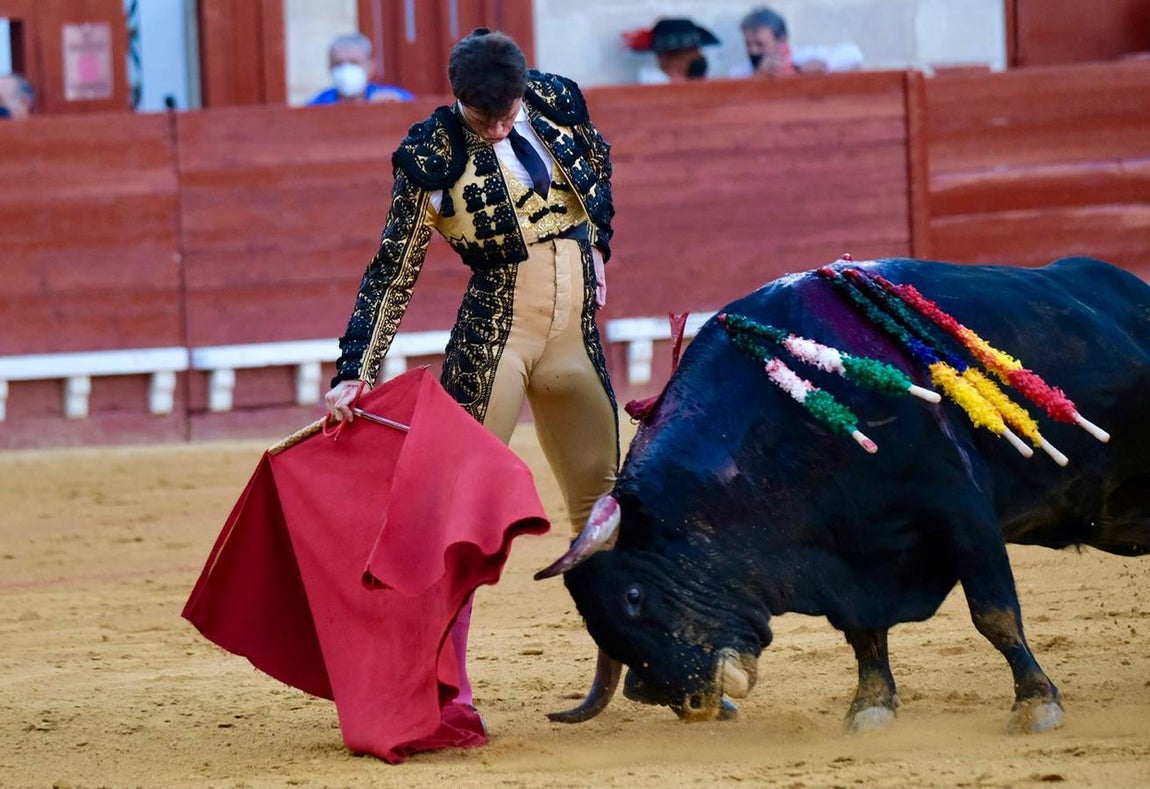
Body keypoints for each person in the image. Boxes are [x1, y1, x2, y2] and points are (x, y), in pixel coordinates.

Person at [323, 28, 619, 715]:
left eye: (507, 111)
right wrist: (355, 369)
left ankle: (649, 659)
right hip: (496, 339)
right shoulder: (431, 152)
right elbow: (393, 270)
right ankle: (443, 689)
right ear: (459, 99)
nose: (500, 125)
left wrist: (598, 242)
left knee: (607, 506)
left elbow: (599, 165)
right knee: (457, 514)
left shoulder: (552, 98)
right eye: (486, 117)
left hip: (575, 336)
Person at [729, 6, 863, 78]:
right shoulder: (740, 72)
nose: (753, 51)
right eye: (748, 44)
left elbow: (853, 54)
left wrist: (802, 70)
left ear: (782, 41)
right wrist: (758, 76)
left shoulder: (802, 56)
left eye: (760, 44)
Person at [308, 32, 413, 105]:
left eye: (354, 62)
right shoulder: (319, 104)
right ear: (330, 67)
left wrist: (397, 106)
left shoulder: (393, 98)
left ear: (371, 66)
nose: (346, 69)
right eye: (338, 63)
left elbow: (422, 120)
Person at [622, 18, 721, 84]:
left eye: (696, 49)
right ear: (665, 58)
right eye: (689, 51)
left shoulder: (709, 83)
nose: (699, 55)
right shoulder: (654, 83)